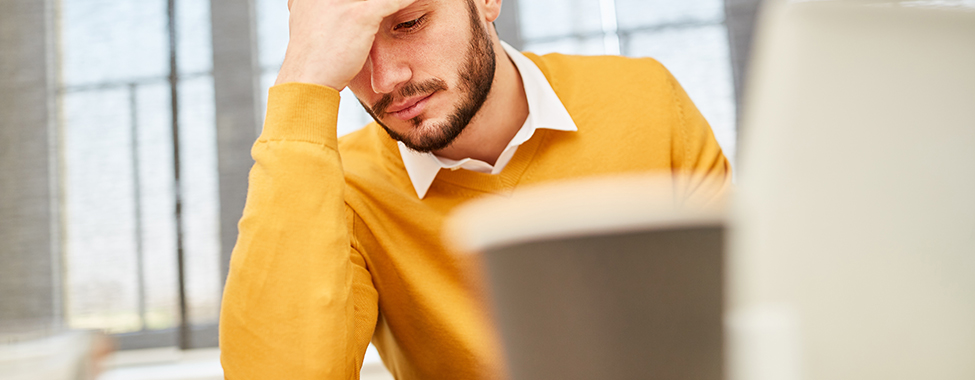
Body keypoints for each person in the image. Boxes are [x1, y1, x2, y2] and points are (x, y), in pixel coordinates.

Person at [218, 0, 731, 378]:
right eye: (348, 48)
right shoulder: (338, 189)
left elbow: (755, 315)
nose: (385, 79)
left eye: (409, 24)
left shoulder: (643, 98)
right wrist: (302, 84)